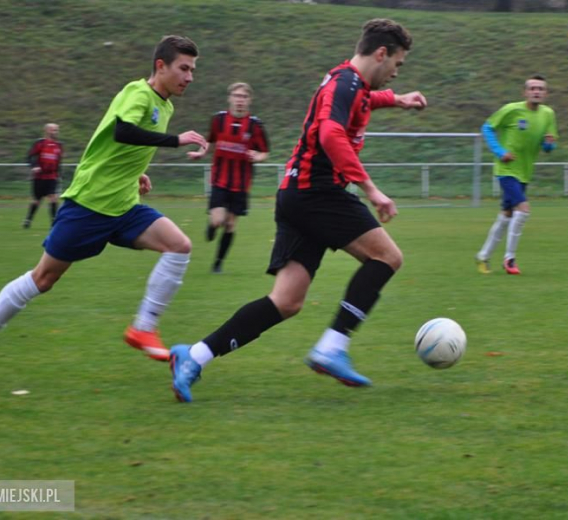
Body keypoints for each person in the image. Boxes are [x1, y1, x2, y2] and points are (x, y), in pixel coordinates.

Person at [168, 18, 427, 403]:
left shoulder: (347, 82)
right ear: (381, 53)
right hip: (316, 191)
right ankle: (332, 347)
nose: (395, 73)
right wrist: (371, 189)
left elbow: (363, 101)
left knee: (286, 301)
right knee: (387, 257)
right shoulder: (345, 83)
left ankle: (195, 356)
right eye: (398, 65)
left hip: (296, 194)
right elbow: (330, 134)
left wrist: (398, 98)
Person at [0, 35, 208, 382]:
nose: (190, 76)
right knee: (43, 278)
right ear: (160, 66)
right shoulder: (137, 92)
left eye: (193, 70)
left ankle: (143, 328)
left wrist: (136, 172)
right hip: (89, 205)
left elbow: (118, 144)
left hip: (123, 206)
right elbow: (123, 130)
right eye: (184, 68)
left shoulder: (164, 105)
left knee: (180, 246)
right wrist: (175, 140)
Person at [475, 74, 558, 275]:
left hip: (524, 172)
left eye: (540, 89)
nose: (536, 91)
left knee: (507, 215)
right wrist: (500, 152)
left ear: (545, 93)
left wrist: (548, 144)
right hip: (507, 170)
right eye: (532, 88)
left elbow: (549, 146)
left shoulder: (548, 114)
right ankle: (509, 259)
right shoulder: (512, 110)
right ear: (525, 92)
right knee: (523, 209)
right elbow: (487, 127)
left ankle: (483, 256)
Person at [188, 82, 270, 273]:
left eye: (243, 97)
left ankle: (218, 263)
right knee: (218, 220)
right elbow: (209, 141)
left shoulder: (255, 126)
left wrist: (256, 156)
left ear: (249, 100)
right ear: (230, 98)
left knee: (231, 224)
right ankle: (212, 225)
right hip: (219, 180)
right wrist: (201, 153)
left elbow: (264, 152)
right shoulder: (218, 120)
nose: (240, 100)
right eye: (236, 96)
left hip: (241, 184)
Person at [23, 123, 64, 228]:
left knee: (53, 198)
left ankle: (54, 222)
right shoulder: (40, 143)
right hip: (39, 177)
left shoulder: (59, 145)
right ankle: (28, 219)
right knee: (37, 200)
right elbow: (30, 156)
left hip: (52, 177)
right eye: (53, 130)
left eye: (56, 130)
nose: (56, 132)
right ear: (47, 131)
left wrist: (59, 173)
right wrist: (34, 166)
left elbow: (58, 161)